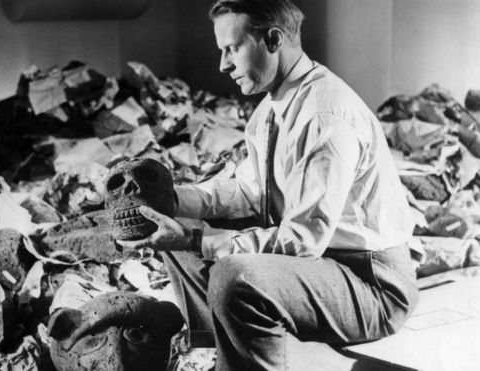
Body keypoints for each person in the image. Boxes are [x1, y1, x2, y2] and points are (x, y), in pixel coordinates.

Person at [118, 0, 420, 370]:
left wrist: (195, 239)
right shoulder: (272, 107)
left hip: (372, 288)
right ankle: (226, 348)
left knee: (234, 275)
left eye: (232, 49)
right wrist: (170, 201)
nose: (223, 64)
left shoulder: (325, 116)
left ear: (273, 39)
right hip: (326, 265)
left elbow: (303, 239)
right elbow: (247, 191)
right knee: (172, 228)